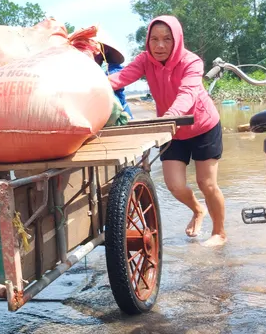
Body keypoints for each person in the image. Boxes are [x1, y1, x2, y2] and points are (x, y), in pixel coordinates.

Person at [108, 16, 227, 248]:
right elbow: (121, 78)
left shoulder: (192, 62)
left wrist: (169, 115)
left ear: (177, 40)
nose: (159, 45)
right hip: (173, 130)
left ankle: (219, 233)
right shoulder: (145, 60)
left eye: (166, 39)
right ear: (147, 41)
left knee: (207, 183)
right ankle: (198, 210)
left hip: (202, 125)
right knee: (174, 185)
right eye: (154, 39)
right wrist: (92, 85)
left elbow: (188, 93)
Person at [92, 27, 132, 118]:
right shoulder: (81, 69)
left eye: (94, 46)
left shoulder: (113, 69)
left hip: (119, 117)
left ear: (104, 50)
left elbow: (110, 84)